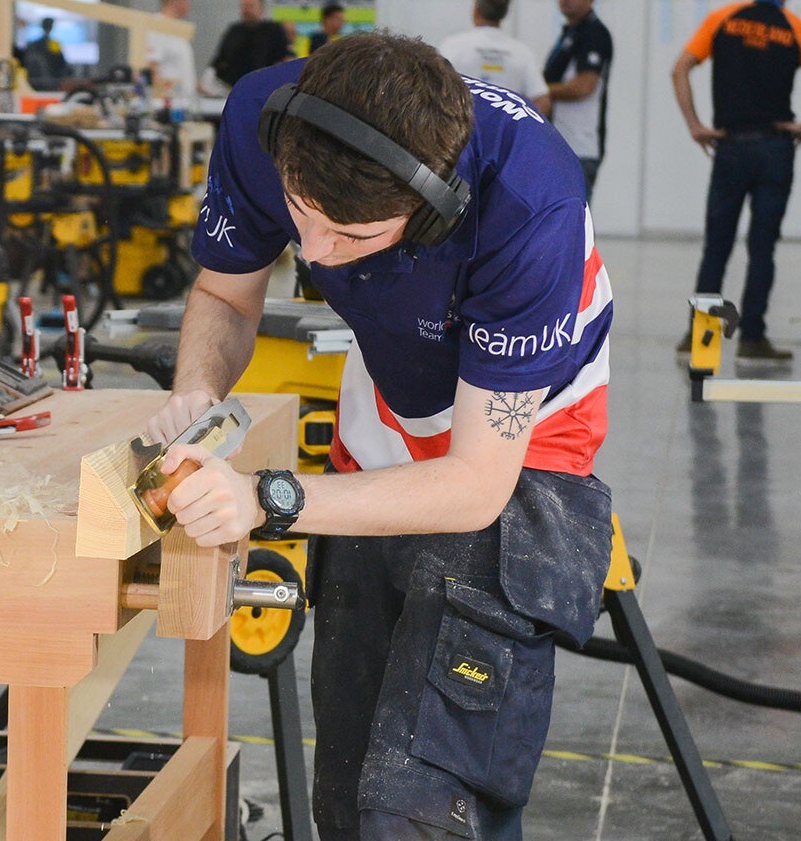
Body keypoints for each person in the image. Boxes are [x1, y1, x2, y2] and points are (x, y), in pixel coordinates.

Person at [154, 34, 614, 839]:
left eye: (354, 237)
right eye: (304, 218)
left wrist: (267, 498)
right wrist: (197, 395)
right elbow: (225, 297)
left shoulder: (529, 201)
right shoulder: (266, 116)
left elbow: (475, 484)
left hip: (526, 427)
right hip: (390, 393)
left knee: (420, 802)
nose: (319, 252)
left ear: (433, 207)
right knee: (348, 776)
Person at [672, 0, 801, 362]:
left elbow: (680, 69)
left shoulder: (722, 20)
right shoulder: (795, 28)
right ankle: (752, 337)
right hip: (775, 149)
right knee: (762, 247)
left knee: (717, 246)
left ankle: (700, 336)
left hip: (731, 147)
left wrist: (694, 126)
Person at [544, 0, 612, 196]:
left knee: (573, 219)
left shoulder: (594, 34)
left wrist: (539, 92)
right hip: (560, 142)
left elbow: (584, 86)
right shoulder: (570, 32)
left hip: (580, 146)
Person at [439, 0, 552, 117]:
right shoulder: (522, 52)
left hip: (462, 128)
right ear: (505, 13)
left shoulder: (452, 46)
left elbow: (433, 90)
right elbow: (543, 101)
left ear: (476, 11)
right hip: (506, 130)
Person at [209, 0, 291, 90]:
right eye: (244, 6)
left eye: (251, 6)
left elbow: (285, 59)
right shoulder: (234, 31)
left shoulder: (273, 30)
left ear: (261, 9)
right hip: (233, 87)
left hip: (266, 87)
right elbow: (219, 60)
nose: (247, 10)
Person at [145, 0, 196, 96]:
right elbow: (152, 66)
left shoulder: (179, 29)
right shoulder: (157, 25)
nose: (190, 4)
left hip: (184, 101)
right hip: (167, 101)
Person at [15, 17, 71, 90]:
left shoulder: (34, 44)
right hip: (47, 82)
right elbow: (61, 64)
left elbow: (61, 64)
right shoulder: (51, 44)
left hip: (42, 82)